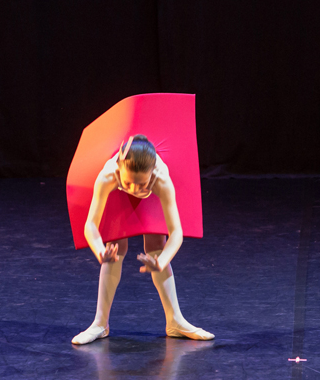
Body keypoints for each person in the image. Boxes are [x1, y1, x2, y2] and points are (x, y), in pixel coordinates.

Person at [72, 135, 214, 345]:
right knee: (115, 248)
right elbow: (90, 225)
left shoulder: (161, 179)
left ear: (151, 173)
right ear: (119, 168)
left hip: (153, 195)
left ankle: (175, 321)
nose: (134, 189)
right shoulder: (108, 176)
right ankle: (100, 324)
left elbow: (176, 233)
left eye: (140, 183)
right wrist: (100, 252)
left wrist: (161, 262)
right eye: (129, 182)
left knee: (157, 246)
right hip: (115, 194)